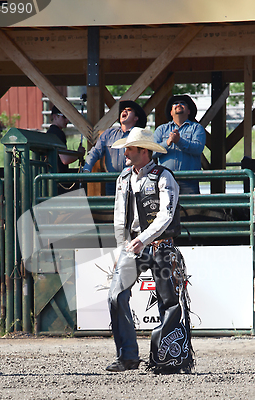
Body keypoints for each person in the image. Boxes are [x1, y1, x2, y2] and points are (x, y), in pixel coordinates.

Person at [106, 127, 195, 374]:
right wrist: (120, 249)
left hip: (160, 245)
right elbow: (119, 217)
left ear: (143, 152)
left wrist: (142, 239)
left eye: (130, 148)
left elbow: (166, 215)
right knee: (116, 295)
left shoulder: (164, 176)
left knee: (168, 301)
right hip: (134, 245)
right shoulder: (123, 178)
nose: (125, 152)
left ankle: (165, 356)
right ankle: (128, 356)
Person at [83, 100, 147, 195]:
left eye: (128, 110)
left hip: (134, 180)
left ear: (136, 118)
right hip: (112, 182)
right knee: (113, 209)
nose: (124, 112)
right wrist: (87, 169)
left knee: (133, 209)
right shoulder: (108, 134)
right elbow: (95, 152)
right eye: (122, 110)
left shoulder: (140, 135)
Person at [153, 94, 206, 194]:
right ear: (171, 112)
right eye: (175, 103)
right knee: (167, 209)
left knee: (192, 209)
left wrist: (179, 141)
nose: (179, 104)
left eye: (183, 103)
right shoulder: (161, 129)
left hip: (190, 181)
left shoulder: (197, 128)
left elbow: (198, 148)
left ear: (189, 111)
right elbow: (151, 153)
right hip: (166, 181)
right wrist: (167, 143)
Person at [47, 105, 85, 194]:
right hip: (59, 181)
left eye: (68, 117)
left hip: (51, 179)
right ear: (55, 116)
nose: (67, 120)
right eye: (64, 117)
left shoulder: (50, 133)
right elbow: (64, 159)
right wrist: (79, 154)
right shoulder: (57, 133)